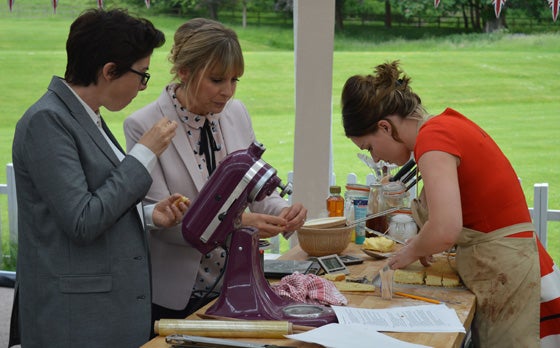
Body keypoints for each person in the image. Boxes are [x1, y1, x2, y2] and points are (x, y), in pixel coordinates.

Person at [340, 60, 560, 347]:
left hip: (514, 278)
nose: (377, 158)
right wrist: (424, 243)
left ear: (384, 127)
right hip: (508, 270)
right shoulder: (444, 127)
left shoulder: (434, 140)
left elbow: (445, 227)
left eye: (369, 147)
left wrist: (407, 254)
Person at [9, 9, 189, 348]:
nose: (142, 86)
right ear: (109, 71)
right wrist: (144, 153)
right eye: (142, 75)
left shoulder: (87, 115)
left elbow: (96, 200)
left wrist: (148, 216)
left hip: (107, 315)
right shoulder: (46, 121)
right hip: (75, 321)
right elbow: (82, 221)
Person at [124, 18, 307, 324]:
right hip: (177, 297)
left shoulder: (236, 113)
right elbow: (161, 221)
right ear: (184, 71)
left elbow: (256, 192)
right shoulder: (142, 124)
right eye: (218, 80)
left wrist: (283, 211)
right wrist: (237, 223)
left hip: (238, 286)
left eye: (235, 80)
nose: (228, 92)